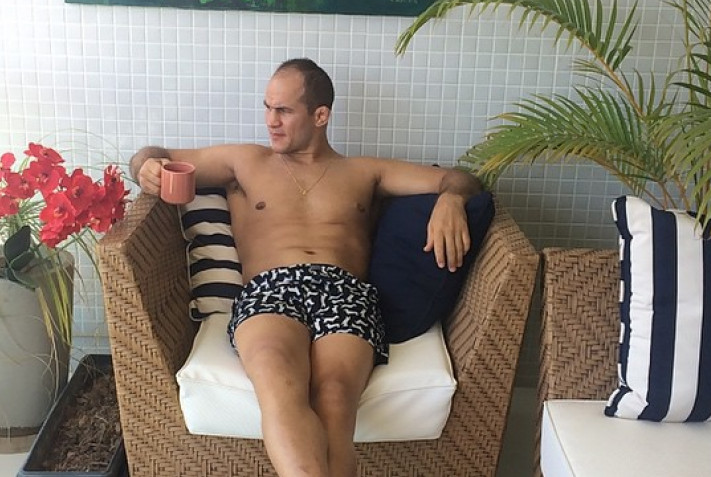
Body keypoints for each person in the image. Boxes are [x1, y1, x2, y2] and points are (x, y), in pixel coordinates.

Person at [130, 58, 482, 477]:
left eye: (283, 111)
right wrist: (144, 167)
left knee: (334, 398)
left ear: (320, 115)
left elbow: (459, 178)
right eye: (267, 107)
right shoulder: (245, 161)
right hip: (269, 289)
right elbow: (155, 155)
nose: (270, 121)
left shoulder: (364, 171)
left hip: (345, 292)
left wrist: (451, 200)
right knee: (279, 384)